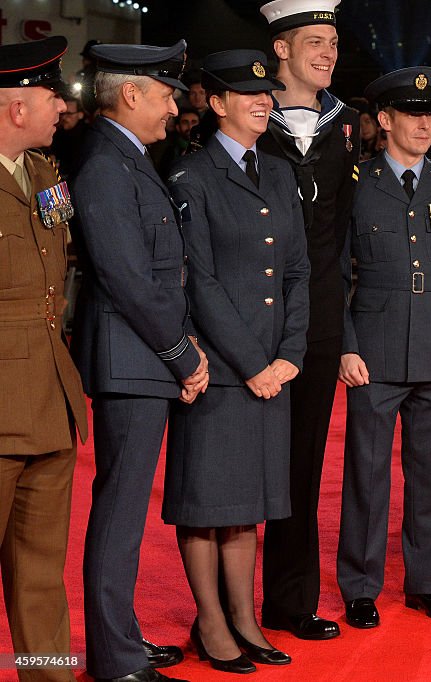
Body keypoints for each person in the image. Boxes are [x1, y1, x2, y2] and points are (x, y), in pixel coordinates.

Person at [164, 49, 309, 673]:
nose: (263, 101)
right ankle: (212, 622)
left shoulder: (278, 172)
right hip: (222, 369)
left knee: (249, 500)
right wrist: (253, 362)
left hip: (272, 368)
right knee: (207, 501)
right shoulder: (190, 177)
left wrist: (290, 355)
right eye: (247, 94)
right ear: (215, 104)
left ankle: (245, 618)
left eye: (268, 93)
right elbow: (199, 282)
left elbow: (300, 270)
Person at [72, 39, 209, 682]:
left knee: (123, 511)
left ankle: (118, 644)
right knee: (121, 512)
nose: (172, 108)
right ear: (131, 93)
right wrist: (181, 353)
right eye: (164, 95)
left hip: (139, 358)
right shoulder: (107, 163)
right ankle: (116, 662)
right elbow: (126, 276)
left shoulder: (126, 158)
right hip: (132, 361)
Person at [337, 66, 431, 630]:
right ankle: (361, 586)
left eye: (430, 114)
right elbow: (337, 273)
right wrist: (346, 346)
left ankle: (425, 582)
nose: (424, 123)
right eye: (412, 114)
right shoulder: (353, 183)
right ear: (384, 121)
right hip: (375, 348)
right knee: (367, 475)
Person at [256, 0, 360, 640]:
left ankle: (291, 602)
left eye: (333, 43)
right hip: (252, 319)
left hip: (318, 317)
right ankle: (228, 611)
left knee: (303, 465)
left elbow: (343, 233)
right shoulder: (250, 113)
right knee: (237, 466)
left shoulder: (345, 123)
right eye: (315, 41)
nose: (327, 53)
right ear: (282, 50)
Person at [0, 36, 88, 682]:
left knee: (40, 577)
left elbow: (60, 275)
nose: (62, 104)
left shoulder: (47, 174)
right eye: (50, 94)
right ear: (14, 105)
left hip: (52, 399)